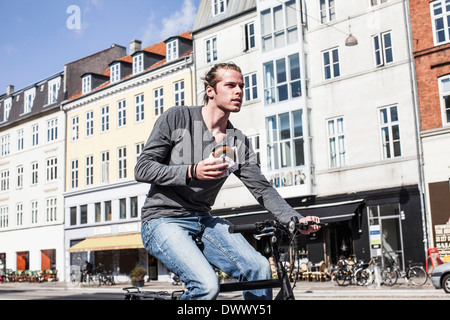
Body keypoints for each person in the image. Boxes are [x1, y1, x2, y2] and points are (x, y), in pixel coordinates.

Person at [135, 62, 320, 300]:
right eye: (230, 85)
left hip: (202, 219)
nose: (239, 91)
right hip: (162, 220)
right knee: (205, 285)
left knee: (259, 269)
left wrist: (297, 219)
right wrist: (192, 171)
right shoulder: (177, 118)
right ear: (210, 90)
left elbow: (262, 189)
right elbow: (143, 168)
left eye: (241, 86)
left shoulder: (237, 141)